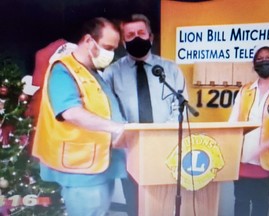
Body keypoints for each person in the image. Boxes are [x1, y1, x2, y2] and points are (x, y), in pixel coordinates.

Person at [32, 17, 127, 216]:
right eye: (107, 47)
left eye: (113, 49)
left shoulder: (91, 71)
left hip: (99, 165)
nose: (110, 54)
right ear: (88, 40)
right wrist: (117, 128)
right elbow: (71, 112)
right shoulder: (62, 70)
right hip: (82, 169)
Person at [102, 14, 188, 216]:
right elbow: (105, 109)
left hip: (166, 149)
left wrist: (162, 136)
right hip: (130, 152)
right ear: (123, 42)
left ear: (151, 37)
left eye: (141, 33)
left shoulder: (170, 69)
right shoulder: (112, 73)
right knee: (134, 206)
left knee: (164, 204)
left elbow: (181, 107)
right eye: (130, 35)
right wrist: (126, 135)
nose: (136, 38)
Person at [229, 42, 269, 216]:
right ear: (255, 64)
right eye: (260, 59)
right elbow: (233, 122)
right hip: (242, 159)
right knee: (240, 200)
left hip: (266, 161)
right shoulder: (245, 90)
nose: (264, 62)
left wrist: (260, 150)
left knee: (260, 202)